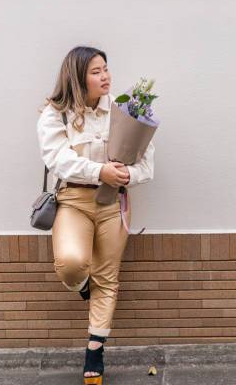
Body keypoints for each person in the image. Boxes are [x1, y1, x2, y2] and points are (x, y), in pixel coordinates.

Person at [36, 46, 155, 383]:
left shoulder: (125, 111)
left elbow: (146, 164)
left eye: (106, 69)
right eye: (96, 71)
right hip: (73, 200)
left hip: (112, 202)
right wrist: (99, 170)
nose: (106, 76)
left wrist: (127, 176)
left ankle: (95, 348)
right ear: (77, 77)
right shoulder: (54, 114)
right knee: (72, 265)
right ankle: (82, 285)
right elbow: (57, 160)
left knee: (108, 276)